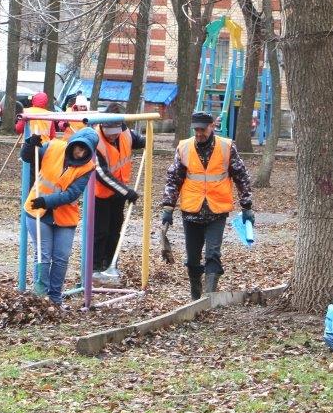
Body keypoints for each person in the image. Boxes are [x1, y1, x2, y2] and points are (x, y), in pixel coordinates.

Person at [161, 110, 254, 300]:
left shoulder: (227, 147)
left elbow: (241, 176)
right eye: (196, 129)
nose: (199, 133)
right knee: (193, 259)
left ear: (212, 127)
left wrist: (247, 206)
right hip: (191, 211)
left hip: (216, 211)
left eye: (202, 129)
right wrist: (168, 208)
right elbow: (173, 179)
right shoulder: (184, 147)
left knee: (213, 253)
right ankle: (196, 298)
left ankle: (209, 298)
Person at [21, 128, 104, 306]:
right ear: (72, 143)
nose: (80, 152)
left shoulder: (88, 167)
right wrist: (29, 144)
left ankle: (55, 298)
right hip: (36, 212)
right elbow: (28, 157)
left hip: (64, 217)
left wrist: (46, 201)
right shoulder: (53, 147)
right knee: (43, 253)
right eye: (78, 147)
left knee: (61, 257)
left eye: (85, 150)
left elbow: (72, 194)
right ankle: (40, 296)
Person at [92, 102, 144, 276]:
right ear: (103, 126)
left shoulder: (126, 133)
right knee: (100, 232)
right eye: (110, 134)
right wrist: (126, 192)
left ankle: (111, 264)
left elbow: (140, 141)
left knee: (115, 231)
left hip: (118, 194)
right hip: (100, 194)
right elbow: (102, 174)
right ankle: (95, 267)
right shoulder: (94, 139)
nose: (114, 137)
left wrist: (148, 140)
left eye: (116, 133)